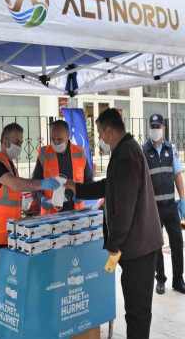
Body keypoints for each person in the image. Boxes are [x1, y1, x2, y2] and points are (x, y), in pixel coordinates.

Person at [67, 108, 163, 339]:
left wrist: (114, 243)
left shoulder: (126, 154)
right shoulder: (124, 151)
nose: (100, 138)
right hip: (138, 244)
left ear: (110, 131)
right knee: (136, 308)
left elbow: (125, 205)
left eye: (100, 133)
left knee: (137, 311)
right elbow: (110, 185)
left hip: (138, 246)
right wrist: (78, 188)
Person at [0, 123, 60, 292]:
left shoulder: (9, 165)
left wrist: (35, 204)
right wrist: (42, 184)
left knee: (5, 283)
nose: (20, 146)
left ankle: (0, 317)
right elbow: (16, 185)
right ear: (5, 141)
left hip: (8, 235)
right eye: (17, 142)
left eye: (21, 142)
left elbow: (12, 195)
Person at [143, 114, 185, 296]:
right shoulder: (144, 151)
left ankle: (178, 280)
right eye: (153, 126)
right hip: (153, 208)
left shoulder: (171, 149)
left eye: (158, 126)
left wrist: (183, 199)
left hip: (170, 206)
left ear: (163, 128)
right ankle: (160, 279)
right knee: (156, 246)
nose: (155, 130)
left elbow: (177, 174)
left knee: (177, 244)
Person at [32, 120, 93, 215]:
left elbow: (89, 181)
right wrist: (41, 199)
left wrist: (83, 194)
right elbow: (34, 183)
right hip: (51, 215)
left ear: (68, 136)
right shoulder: (44, 153)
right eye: (53, 139)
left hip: (76, 212)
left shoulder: (80, 152)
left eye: (59, 139)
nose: (56, 142)